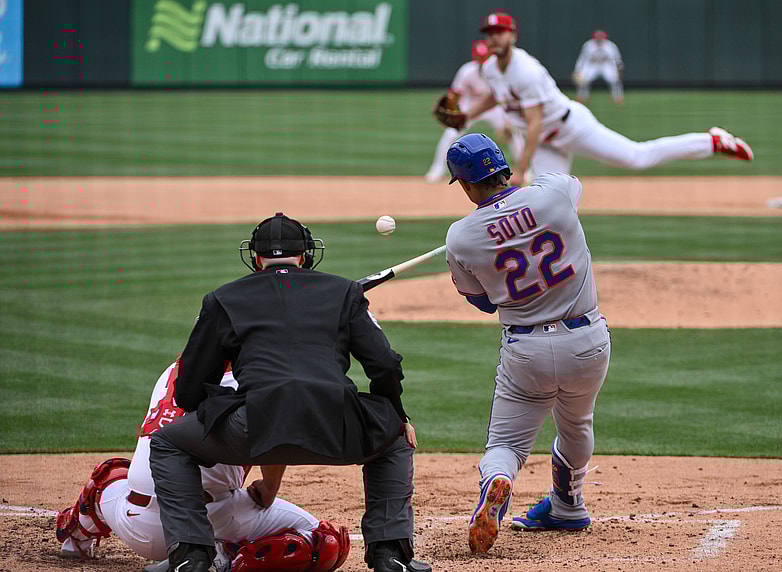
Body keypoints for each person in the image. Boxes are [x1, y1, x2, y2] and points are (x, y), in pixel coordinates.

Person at [148, 213, 431, 572]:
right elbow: (386, 365)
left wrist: (217, 413)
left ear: (255, 258)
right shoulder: (344, 292)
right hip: (336, 423)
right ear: (306, 256)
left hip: (253, 426)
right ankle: (390, 556)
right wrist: (397, 416)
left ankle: (190, 556)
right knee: (392, 440)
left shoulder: (223, 299)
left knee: (169, 443)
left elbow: (187, 391)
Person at [443, 133, 611, 553]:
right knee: (577, 423)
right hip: (587, 341)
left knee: (506, 444)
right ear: (504, 168)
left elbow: (482, 302)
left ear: (464, 185)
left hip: (527, 351)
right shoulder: (553, 194)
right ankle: (568, 504)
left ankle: (499, 478)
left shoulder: (461, 237)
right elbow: (573, 186)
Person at [55, 360, 350, 572]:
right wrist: (269, 488)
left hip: (133, 521)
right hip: (209, 520)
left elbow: (145, 431)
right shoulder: (259, 378)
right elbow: (276, 440)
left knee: (113, 473)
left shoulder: (173, 370)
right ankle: (231, 556)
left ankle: (77, 533)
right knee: (324, 543)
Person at [462, 11, 754, 187]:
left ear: (513, 34)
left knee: (637, 157)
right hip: (544, 143)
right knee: (554, 204)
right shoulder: (490, 68)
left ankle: (712, 141)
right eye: (490, 33)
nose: (494, 37)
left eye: (499, 31)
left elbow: (534, 123)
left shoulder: (526, 69)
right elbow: (495, 96)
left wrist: (521, 170)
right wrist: (466, 115)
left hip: (569, 127)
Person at [424, 39, 524, 183]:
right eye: (480, 57)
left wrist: (508, 119)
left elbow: (504, 95)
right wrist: (451, 109)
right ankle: (437, 169)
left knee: (513, 132)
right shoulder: (466, 71)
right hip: (470, 106)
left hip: (494, 106)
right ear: (475, 57)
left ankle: (524, 170)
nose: (482, 61)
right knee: (451, 134)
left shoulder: (497, 71)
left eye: (485, 57)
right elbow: (455, 93)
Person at [573, 30, 624, 104]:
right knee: (583, 80)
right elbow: (582, 58)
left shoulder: (610, 45)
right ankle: (582, 97)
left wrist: (619, 67)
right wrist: (578, 69)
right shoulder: (588, 45)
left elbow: (616, 58)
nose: (599, 38)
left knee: (614, 80)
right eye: (598, 37)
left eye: (601, 37)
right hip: (592, 65)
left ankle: (618, 97)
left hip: (606, 65)